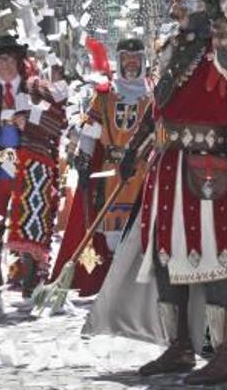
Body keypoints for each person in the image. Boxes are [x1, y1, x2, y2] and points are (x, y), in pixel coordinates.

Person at [111, 0, 227, 384]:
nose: (178, 1)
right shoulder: (171, 47)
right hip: (166, 164)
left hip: (203, 166)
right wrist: (134, 148)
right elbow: (158, 109)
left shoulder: (218, 42)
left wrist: (219, 15)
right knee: (164, 256)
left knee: (212, 255)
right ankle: (177, 347)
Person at [0, 36, 67, 310]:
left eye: (8, 59)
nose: (4, 65)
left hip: (30, 166)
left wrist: (28, 120)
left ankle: (30, 284)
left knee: (30, 222)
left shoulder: (37, 90)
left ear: (19, 62)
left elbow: (58, 121)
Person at [52, 37, 152, 296]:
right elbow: (90, 133)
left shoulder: (153, 94)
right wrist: (84, 162)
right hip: (112, 172)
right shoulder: (105, 94)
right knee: (113, 232)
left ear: (143, 61)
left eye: (136, 60)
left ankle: (137, 286)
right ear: (118, 62)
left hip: (143, 172)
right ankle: (113, 284)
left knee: (143, 228)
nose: (131, 65)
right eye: (126, 60)